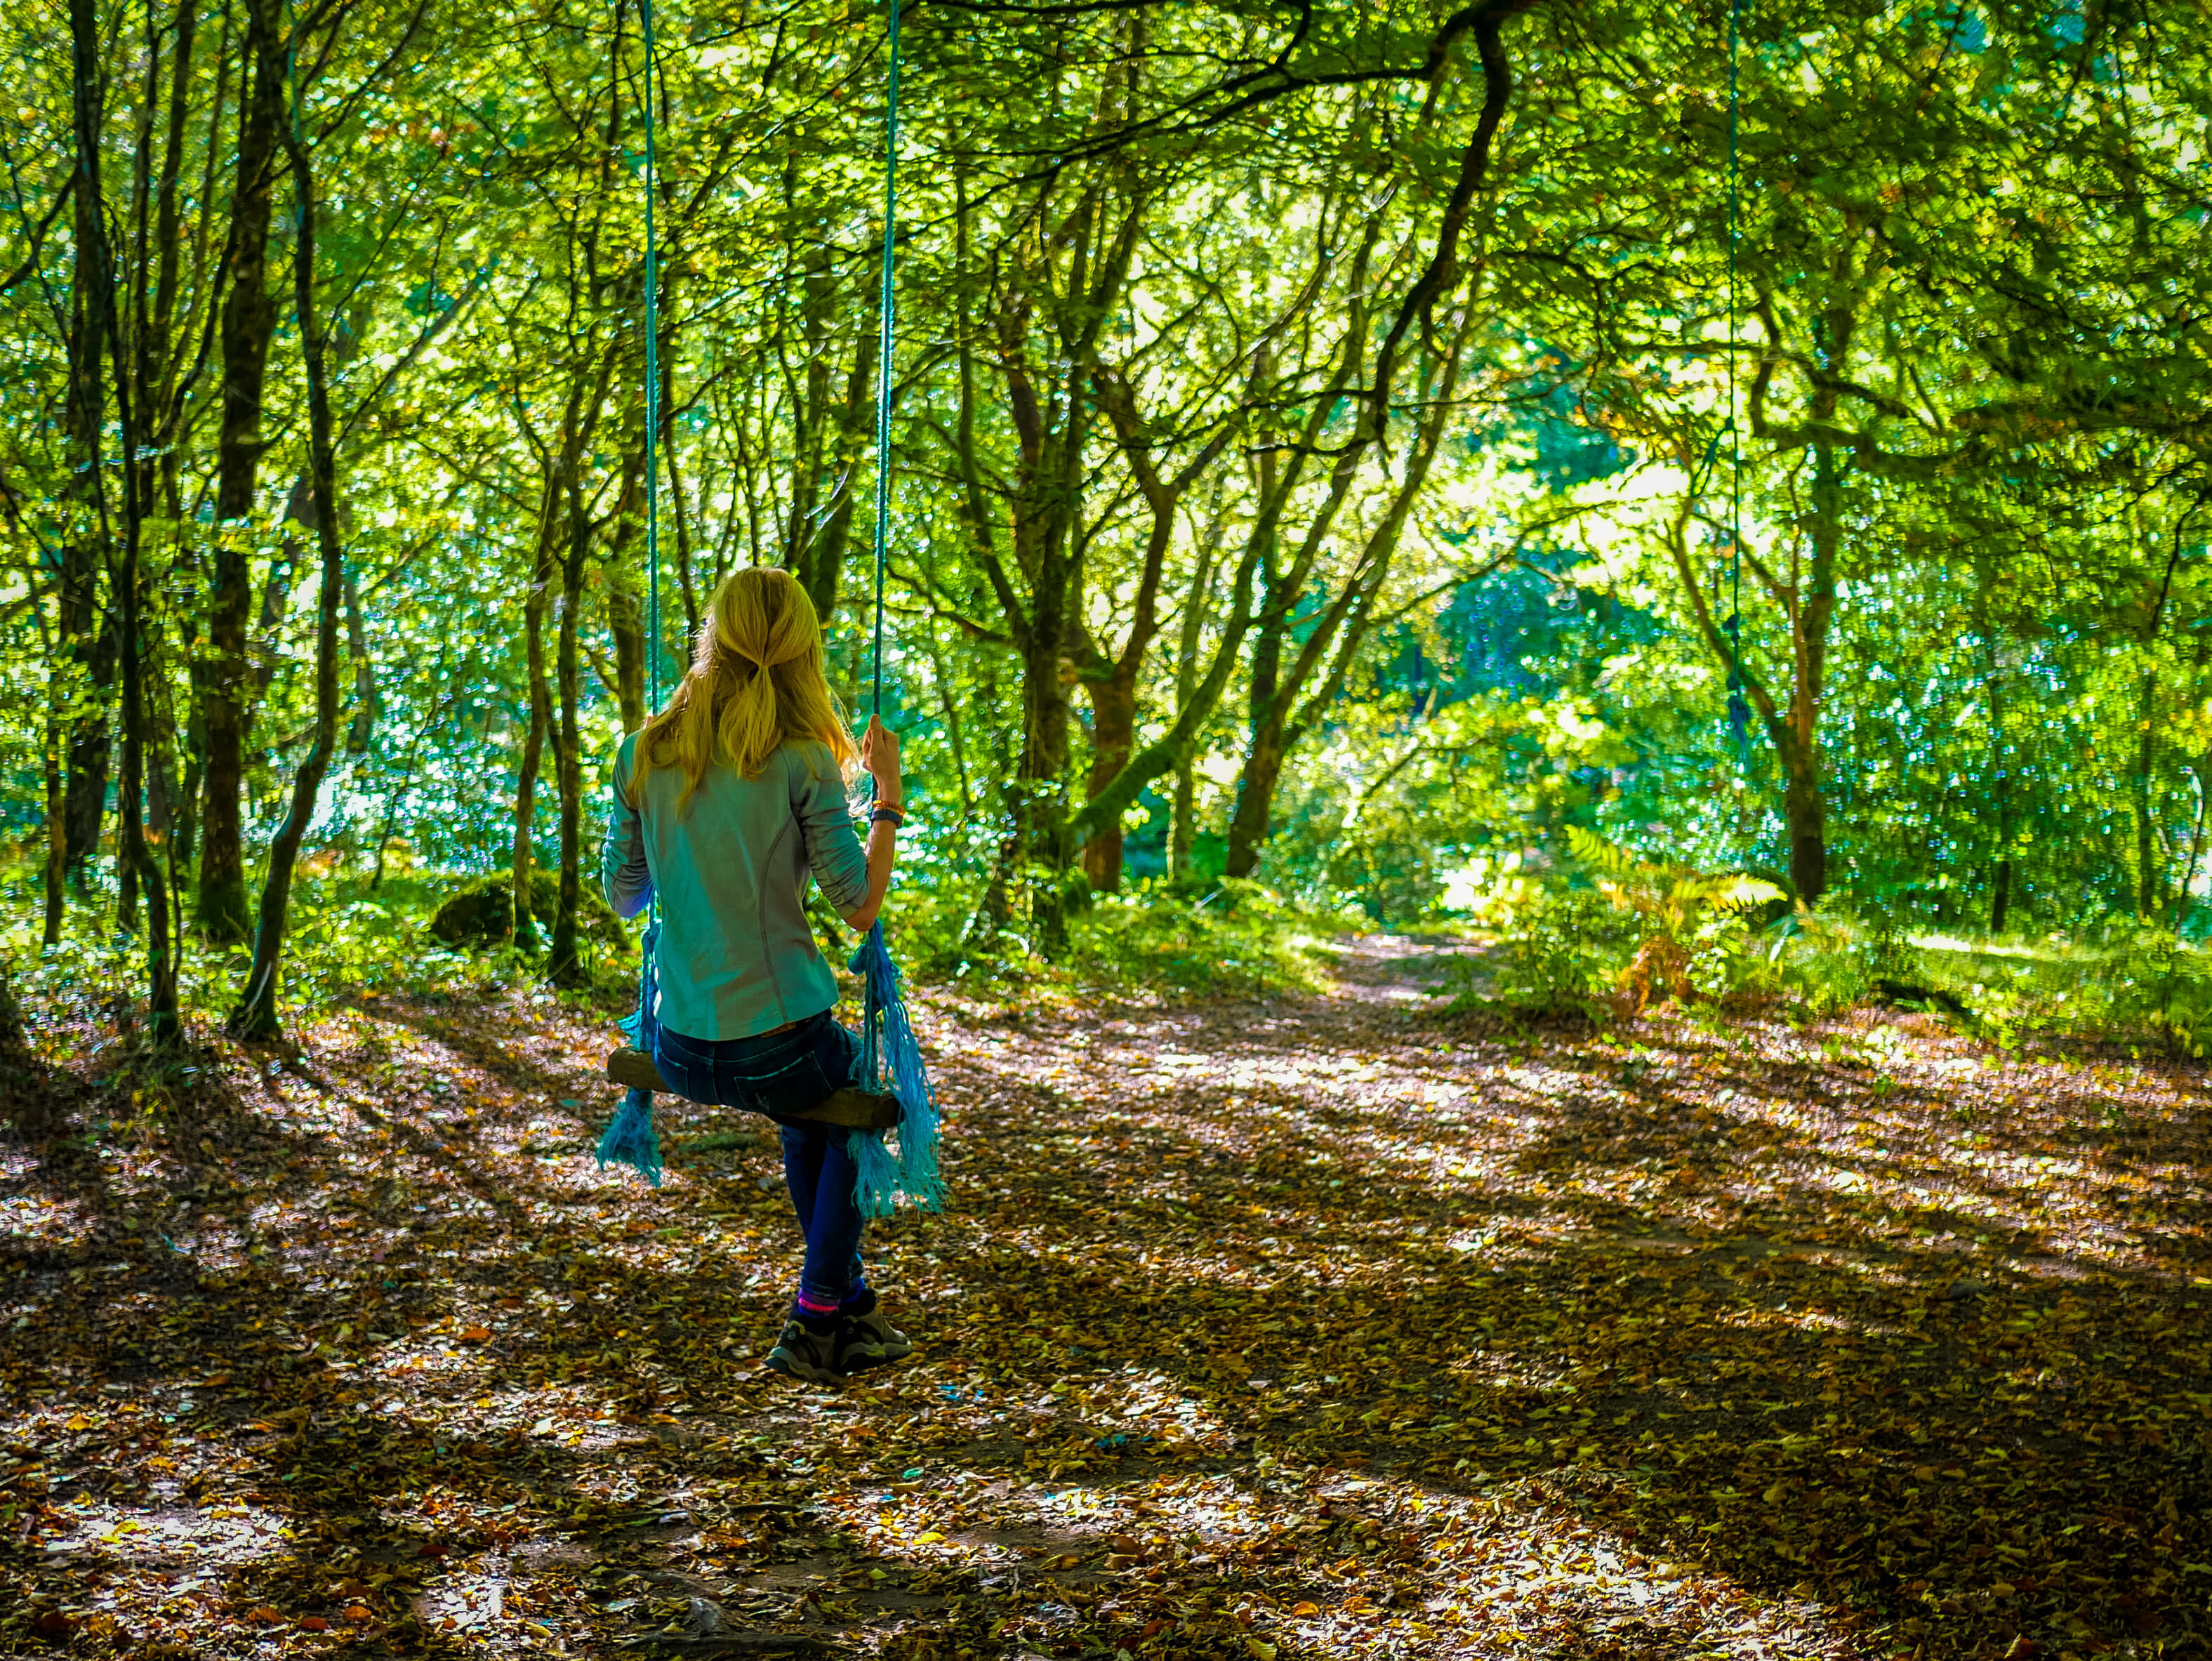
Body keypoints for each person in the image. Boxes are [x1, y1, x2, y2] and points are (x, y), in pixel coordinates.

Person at [600, 566, 910, 1387]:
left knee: (809, 1113)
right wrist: (886, 797)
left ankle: (853, 1307)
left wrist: (642, 817)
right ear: (802, 646)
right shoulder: (804, 756)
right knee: (854, 1098)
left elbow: (623, 895)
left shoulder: (644, 750)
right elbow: (859, 903)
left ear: (714, 634)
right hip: (770, 1039)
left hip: (680, 1041)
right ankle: (816, 1313)